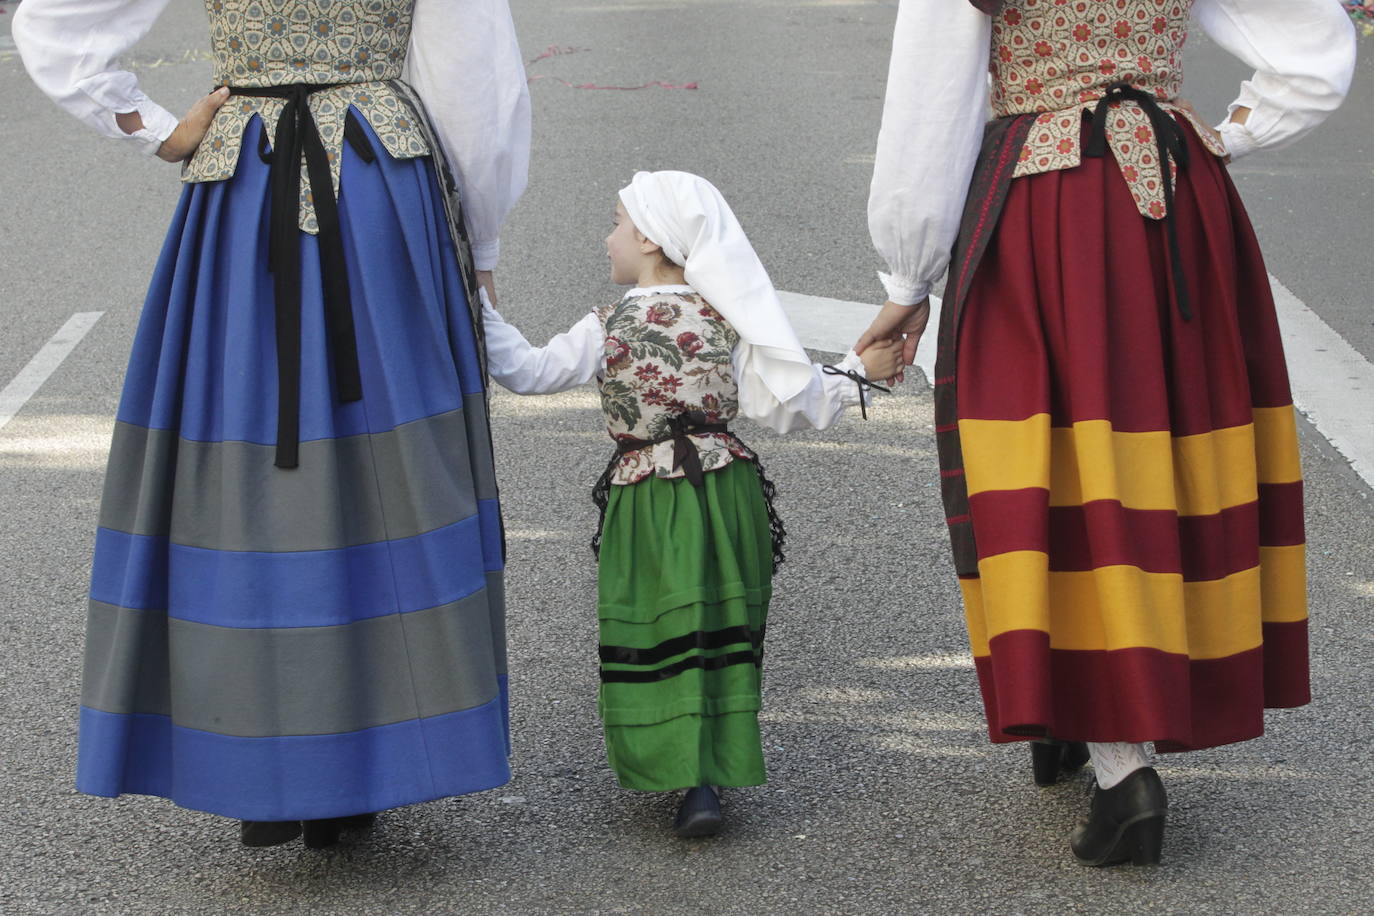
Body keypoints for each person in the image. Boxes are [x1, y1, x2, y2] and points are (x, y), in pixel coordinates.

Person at [14, 0, 530, 848]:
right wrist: (481, 247)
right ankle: (363, 767)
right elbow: (476, 81)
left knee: (243, 479)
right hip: (374, 183)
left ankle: (259, 770)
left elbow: (55, 22)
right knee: (384, 474)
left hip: (244, 178)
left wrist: (147, 124)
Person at [858, 0, 1355, 866]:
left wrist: (909, 276)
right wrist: (1227, 134)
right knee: (1162, 451)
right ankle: (1080, 715)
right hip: (1177, 193)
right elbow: (1312, 52)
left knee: (1052, 465)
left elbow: (930, 101)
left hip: (1047, 204)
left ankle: (1125, 768)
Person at [481, 170, 901, 837]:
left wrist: (475, 306)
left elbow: (528, 373)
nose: (607, 236)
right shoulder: (726, 321)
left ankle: (683, 772)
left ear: (649, 237)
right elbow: (789, 401)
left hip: (647, 499)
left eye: (616, 222)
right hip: (725, 492)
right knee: (717, 628)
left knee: (655, 627)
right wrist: (861, 377)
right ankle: (710, 769)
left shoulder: (607, 324)